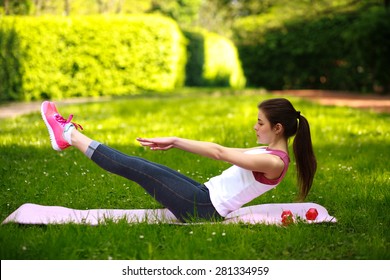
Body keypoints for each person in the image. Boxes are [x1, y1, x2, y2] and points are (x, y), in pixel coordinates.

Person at [40, 98, 317, 222]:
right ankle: (68, 135)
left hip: (202, 208)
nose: (255, 127)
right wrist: (174, 141)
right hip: (202, 196)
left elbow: (219, 152)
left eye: (260, 123)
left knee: (136, 168)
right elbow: (226, 151)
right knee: (147, 166)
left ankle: (68, 135)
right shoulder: (269, 154)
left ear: (277, 128)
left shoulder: (275, 163)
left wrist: (175, 140)